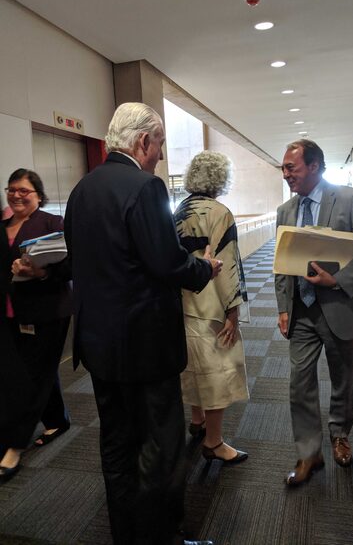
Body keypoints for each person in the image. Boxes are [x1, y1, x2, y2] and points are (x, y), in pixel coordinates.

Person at [64, 102, 219, 545]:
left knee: (116, 446)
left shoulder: (82, 190)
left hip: (99, 345)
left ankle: (126, 535)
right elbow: (168, 264)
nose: (160, 157)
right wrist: (205, 268)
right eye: (160, 146)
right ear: (144, 141)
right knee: (160, 449)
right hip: (145, 348)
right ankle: (163, 537)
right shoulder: (146, 188)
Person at [275, 139, 353, 486]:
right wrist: (282, 307)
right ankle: (309, 454)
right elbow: (282, 266)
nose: (286, 174)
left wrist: (338, 279)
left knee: (343, 380)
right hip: (302, 312)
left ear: (315, 167)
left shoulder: (352, 200)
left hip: (342, 307)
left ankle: (340, 434)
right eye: (283, 168)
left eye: (291, 167)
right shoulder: (285, 211)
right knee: (299, 384)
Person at [174, 151, 249, 464]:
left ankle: (196, 420)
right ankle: (214, 442)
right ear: (221, 179)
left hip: (181, 303)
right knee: (218, 371)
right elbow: (227, 264)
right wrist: (233, 311)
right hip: (210, 306)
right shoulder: (220, 212)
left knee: (192, 368)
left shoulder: (178, 210)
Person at [0, 170, 72, 482]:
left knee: (30, 378)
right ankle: (58, 419)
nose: (16, 195)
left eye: (24, 191)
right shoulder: (2, 226)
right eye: (11, 190)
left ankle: (14, 445)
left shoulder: (52, 224)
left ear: (38, 195)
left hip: (47, 312)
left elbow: (70, 266)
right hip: (10, 314)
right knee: (35, 370)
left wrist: (40, 274)